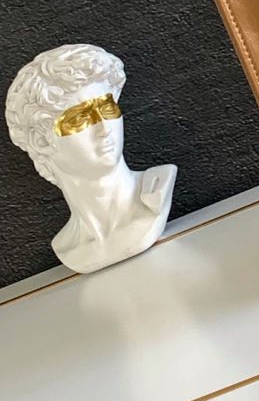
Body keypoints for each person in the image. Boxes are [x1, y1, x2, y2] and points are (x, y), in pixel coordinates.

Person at [5, 43, 176, 274]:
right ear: (41, 141)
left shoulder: (156, 190)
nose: (104, 129)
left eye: (107, 109)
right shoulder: (68, 247)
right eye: (81, 119)